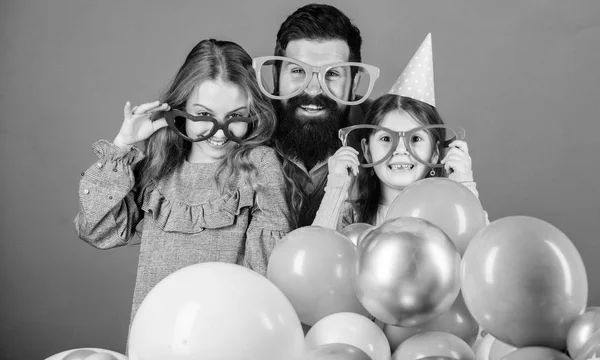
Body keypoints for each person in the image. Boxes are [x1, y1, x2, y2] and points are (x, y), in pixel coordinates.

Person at [74, 39, 291, 324]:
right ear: (181, 108)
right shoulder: (159, 165)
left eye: (235, 116)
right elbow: (98, 231)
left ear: (251, 116)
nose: (220, 131)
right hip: (154, 337)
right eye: (203, 114)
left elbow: (265, 275)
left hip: (227, 337)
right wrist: (122, 145)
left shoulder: (259, 164)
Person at [313, 34, 487, 229]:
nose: (400, 150)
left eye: (415, 138)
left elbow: (479, 249)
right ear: (367, 150)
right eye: (386, 138)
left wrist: (464, 187)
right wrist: (336, 186)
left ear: (436, 152)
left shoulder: (448, 215)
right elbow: (318, 252)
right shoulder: (351, 216)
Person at [252, 3, 380, 227]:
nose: (313, 89)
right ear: (276, 75)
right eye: (298, 71)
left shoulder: (382, 133)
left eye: (331, 74)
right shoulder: (241, 127)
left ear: (354, 83)